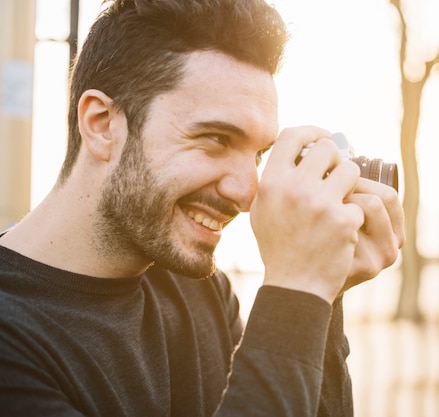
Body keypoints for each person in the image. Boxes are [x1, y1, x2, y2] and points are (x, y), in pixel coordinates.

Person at [0, 0, 405, 415]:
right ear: (102, 124)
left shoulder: (199, 289)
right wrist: (296, 289)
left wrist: (320, 297)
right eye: (216, 139)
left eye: (259, 155)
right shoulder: (11, 336)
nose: (247, 193)